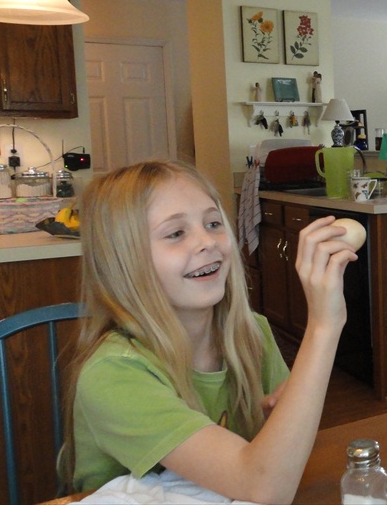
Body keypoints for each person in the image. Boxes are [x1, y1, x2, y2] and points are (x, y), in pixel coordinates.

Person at [60, 160, 357, 503]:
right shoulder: (113, 374)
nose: (207, 242)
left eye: (213, 223)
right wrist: (323, 326)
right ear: (122, 261)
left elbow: (287, 454)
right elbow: (265, 487)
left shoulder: (252, 333)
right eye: (176, 233)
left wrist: (283, 414)